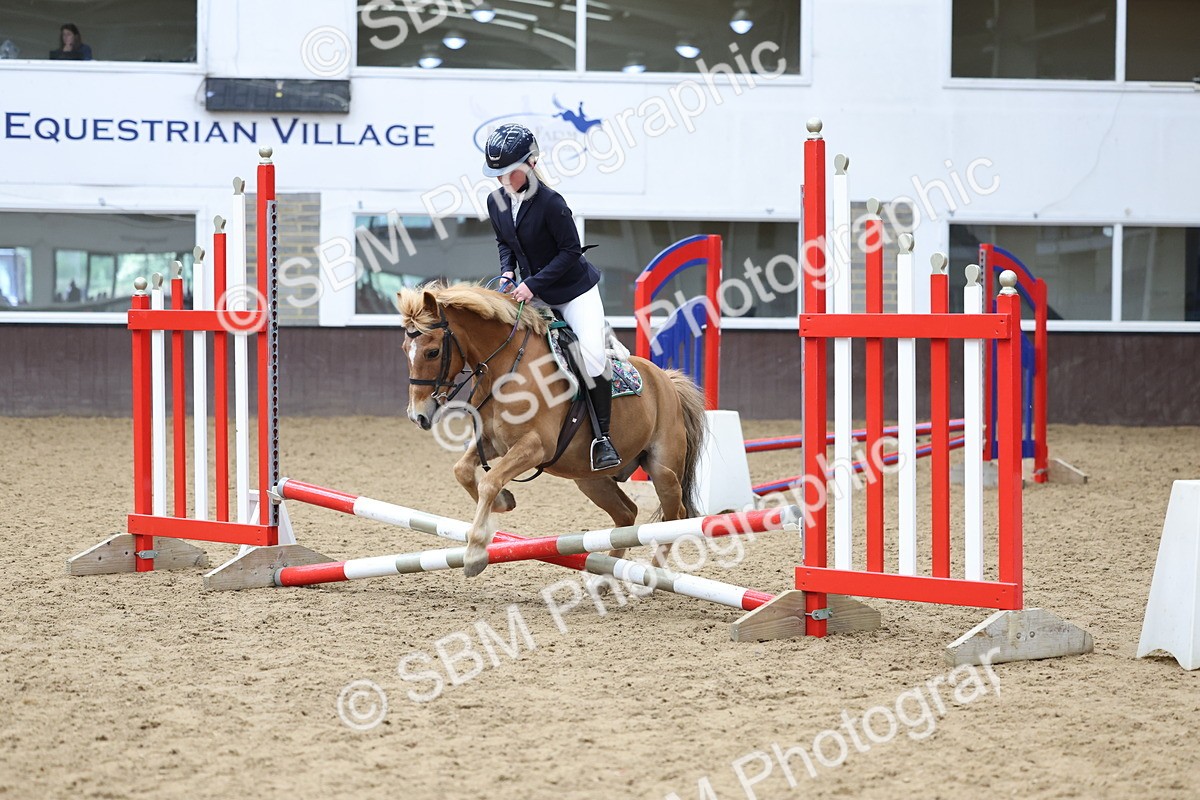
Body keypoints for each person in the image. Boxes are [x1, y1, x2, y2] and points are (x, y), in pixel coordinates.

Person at [483, 123, 621, 471]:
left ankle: (603, 438)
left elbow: (571, 251)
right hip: (532, 289)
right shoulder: (496, 201)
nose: (503, 181)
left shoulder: (551, 202)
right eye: (498, 174)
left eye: (510, 173)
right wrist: (508, 272)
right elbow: (504, 242)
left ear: (531, 164)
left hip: (573, 291)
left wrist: (533, 285)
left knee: (589, 358)